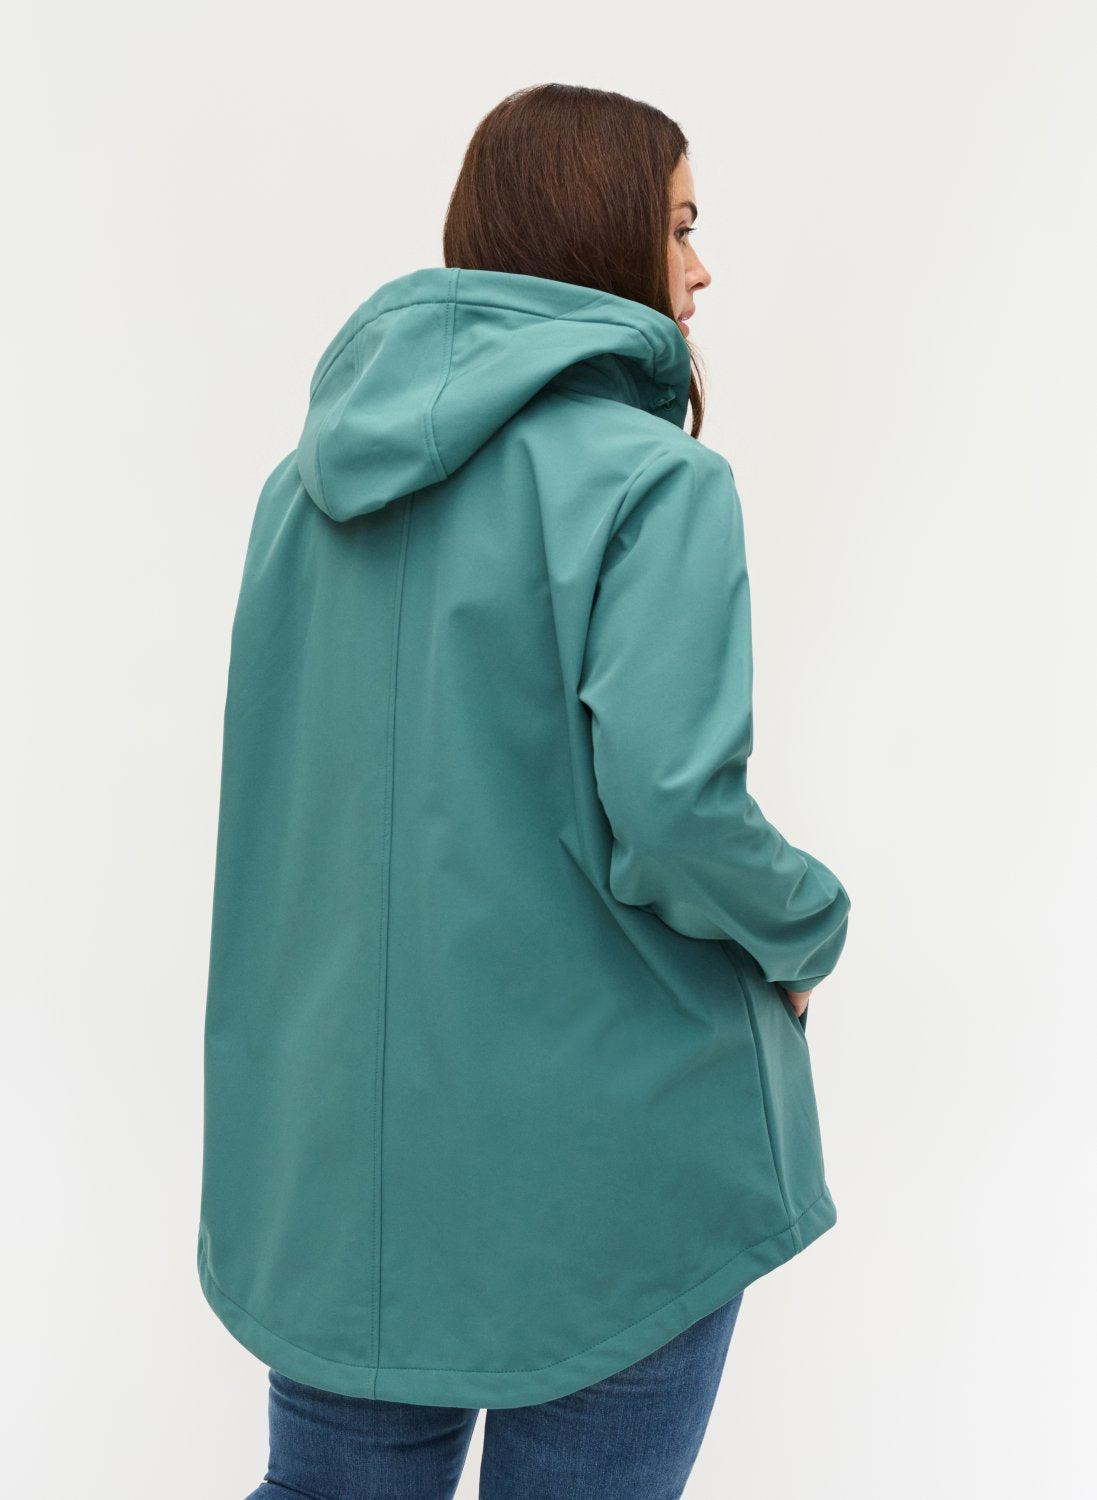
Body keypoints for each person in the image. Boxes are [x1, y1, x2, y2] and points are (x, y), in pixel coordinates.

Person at [198, 82, 851, 1499]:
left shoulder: (298, 494)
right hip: (605, 1170)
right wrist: (808, 926)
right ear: (599, 232)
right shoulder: (656, 485)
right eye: (679, 225)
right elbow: (673, 811)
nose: (700, 269)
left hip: (341, 1176)